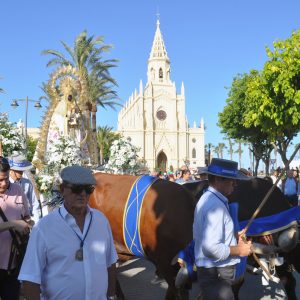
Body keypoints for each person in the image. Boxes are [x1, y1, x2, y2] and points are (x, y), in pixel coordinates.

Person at [19, 165, 118, 300]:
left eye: (88, 189)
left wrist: (111, 295)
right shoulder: (44, 228)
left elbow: (110, 262)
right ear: (62, 190)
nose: (83, 194)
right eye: (77, 189)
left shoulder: (101, 221)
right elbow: (30, 278)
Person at [193, 158, 252, 300]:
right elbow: (211, 248)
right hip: (216, 274)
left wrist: (233, 235)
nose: (235, 184)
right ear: (218, 179)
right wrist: (240, 250)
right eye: (231, 180)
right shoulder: (216, 207)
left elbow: (206, 233)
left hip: (212, 272)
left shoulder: (208, 198)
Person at [0, 156, 31, 300]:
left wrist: (26, 224)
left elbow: (26, 216)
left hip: (13, 264)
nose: (5, 183)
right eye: (0, 180)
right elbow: (15, 222)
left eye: (6, 178)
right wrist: (13, 224)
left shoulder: (17, 189)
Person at [8, 152, 42, 224]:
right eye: (18, 171)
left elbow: (34, 203)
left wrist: (37, 223)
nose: (21, 173)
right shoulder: (4, 184)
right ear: (11, 171)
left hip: (26, 220)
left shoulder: (27, 183)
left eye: (22, 170)